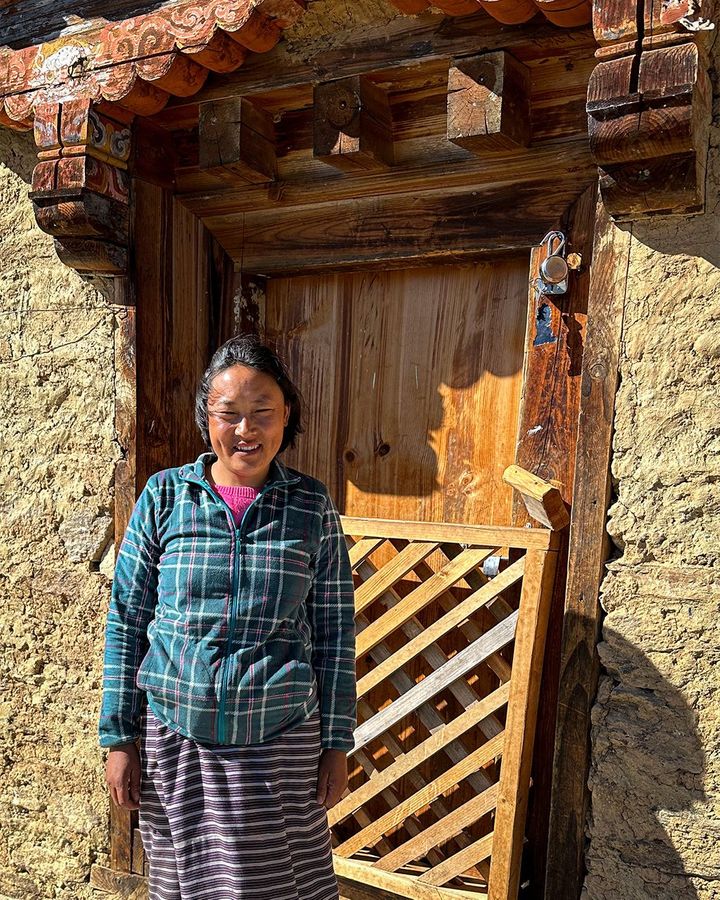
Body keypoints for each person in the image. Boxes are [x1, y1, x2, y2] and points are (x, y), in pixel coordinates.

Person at [99, 334, 357, 900]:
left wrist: (337, 743)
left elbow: (336, 633)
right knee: (186, 882)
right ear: (206, 419)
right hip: (176, 733)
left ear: (286, 415)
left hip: (280, 738)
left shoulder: (311, 507)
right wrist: (119, 738)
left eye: (262, 412)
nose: (247, 429)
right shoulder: (165, 498)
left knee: (281, 882)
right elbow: (125, 620)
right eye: (229, 414)